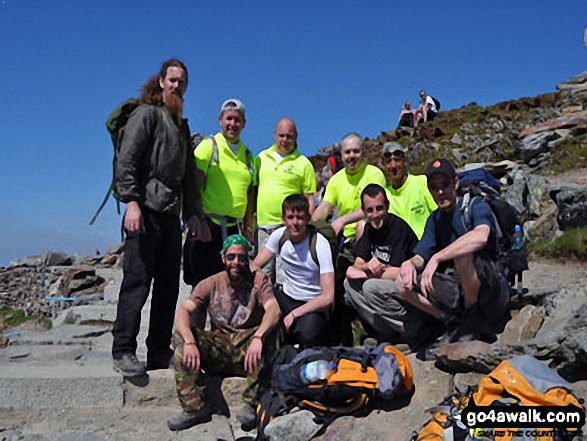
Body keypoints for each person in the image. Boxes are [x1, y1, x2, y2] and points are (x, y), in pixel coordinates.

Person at [111, 59, 209, 377]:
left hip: (170, 217)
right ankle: (124, 349)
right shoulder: (146, 115)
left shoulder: (180, 125)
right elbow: (127, 160)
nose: (177, 86)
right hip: (145, 212)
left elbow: (189, 177)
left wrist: (194, 214)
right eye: (172, 80)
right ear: (161, 81)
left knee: (167, 287)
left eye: (182, 81)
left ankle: (157, 351)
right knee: (137, 284)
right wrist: (131, 203)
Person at [168, 235, 281, 431]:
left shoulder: (259, 280)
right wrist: (190, 342)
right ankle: (195, 408)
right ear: (223, 258)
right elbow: (183, 312)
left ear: (248, 259)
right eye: (231, 257)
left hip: (249, 350)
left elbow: (273, 309)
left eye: (241, 257)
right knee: (181, 338)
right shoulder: (210, 283)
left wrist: (258, 337)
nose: (236, 262)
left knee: (272, 332)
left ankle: (251, 404)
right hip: (219, 348)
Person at [397, 158, 510, 350]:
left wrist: (438, 257)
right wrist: (408, 264)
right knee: (401, 283)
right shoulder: (435, 219)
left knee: (462, 253)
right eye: (434, 187)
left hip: (492, 291)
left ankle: (472, 320)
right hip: (459, 288)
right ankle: (452, 320)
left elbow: (481, 236)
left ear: (455, 183)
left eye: (445, 185)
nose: (440, 191)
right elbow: (420, 256)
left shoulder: (475, 206)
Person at [311, 132, 386, 344]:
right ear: (341, 155)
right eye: (347, 152)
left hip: (372, 236)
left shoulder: (374, 174)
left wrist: (342, 220)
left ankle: (374, 330)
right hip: (345, 242)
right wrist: (308, 227)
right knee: (333, 280)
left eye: (356, 151)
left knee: (363, 227)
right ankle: (336, 337)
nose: (352, 156)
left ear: (363, 152)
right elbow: (325, 207)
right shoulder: (336, 180)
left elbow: (374, 208)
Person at [186, 98, 256, 286]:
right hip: (208, 227)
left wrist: (249, 230)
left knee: (230, 288)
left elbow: (251, 197)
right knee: (202, 289)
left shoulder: (249, 157)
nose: (233, 124)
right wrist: (198, 221)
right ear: (220, 120)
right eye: (229, 118)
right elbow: (194, 186)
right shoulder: (209, 146)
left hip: (235, 230)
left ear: (244, 123)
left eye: (237, 119)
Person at [252, 194, 335, 347]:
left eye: (300, 218)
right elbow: (255, 264)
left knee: (307, 334)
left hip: (312, 304)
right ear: (283, 219)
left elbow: (328, 297)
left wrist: (294, 314)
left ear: (308, 218)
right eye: (290, 217)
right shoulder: (279, 236)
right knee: (255, 292)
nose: (295, 223)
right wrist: (258, 275)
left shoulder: (320, 245)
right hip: (287, 298)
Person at [344, 184, 422, 344]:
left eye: (379, 208)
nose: (375, 215)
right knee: (349, 285)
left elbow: (398, 272)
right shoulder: (369, 229)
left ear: (387, 206)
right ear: (364, 211)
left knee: (370, 286)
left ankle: (412, 331)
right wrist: (367, 267)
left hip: (410, 289)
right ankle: (387, 333)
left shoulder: (398, 228)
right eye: (370, 210)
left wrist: (372, 272)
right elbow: (353, 269)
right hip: (383, 285)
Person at [256, 118, 316, 284]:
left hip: (288, 228)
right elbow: (252, 192)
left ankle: (286, 310)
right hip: (263, 228)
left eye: (289, 136)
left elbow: (310, 198)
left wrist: (306, 227)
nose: (285, 140)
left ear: (296, 136)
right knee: (262, 278)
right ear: (275, 135)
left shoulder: (304, 163)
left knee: (286, 278)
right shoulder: (261, 158)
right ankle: (265, 310)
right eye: (281, 135)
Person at [382, 141, 436, 239]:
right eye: (388, 161)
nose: (393, 166)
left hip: (427, 246)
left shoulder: (422, 182)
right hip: (399, 250)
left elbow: (438, 214)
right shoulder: (384, 195)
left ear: (405, 161)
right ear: (383, 165)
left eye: (397, 160)